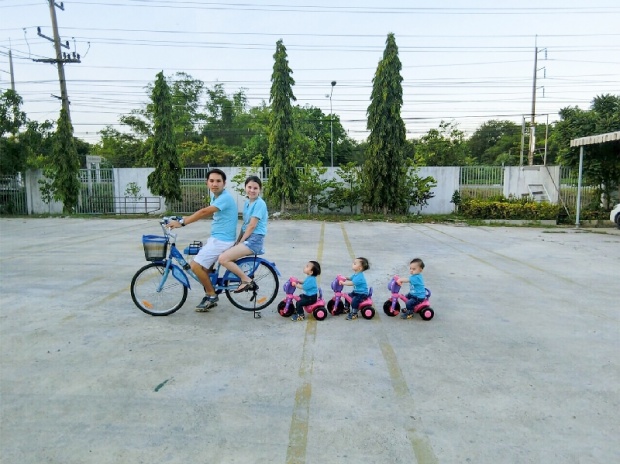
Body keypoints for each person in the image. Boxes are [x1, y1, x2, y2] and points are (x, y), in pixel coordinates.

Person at [168, 168, 237, 312]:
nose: (214, 184)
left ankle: (211, 296)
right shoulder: (216, 196)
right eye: (211, 181)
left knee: (194, 266)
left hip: (222, 240)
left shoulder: (225, 197)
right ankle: (209, 292)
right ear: (207, 183)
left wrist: (183, 223)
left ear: (224, 183)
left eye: (218, 181)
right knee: (204, 269)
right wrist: (182, 218)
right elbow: (205, 212)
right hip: (217, 238)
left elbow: (204, 212)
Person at [218, 175, 268, 293]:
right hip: (248, 238)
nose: (252, 190)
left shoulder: (260, 204)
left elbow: (252, 226)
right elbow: (245, 225)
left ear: (260, 190)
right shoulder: (247, 203)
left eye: (255, 188)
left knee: (223, 259)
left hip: (254, 240)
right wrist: (238, 241)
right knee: (224, 253)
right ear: (245, 188)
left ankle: (246, 280)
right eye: (249, 187)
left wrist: (240, 242)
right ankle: (239, 278)